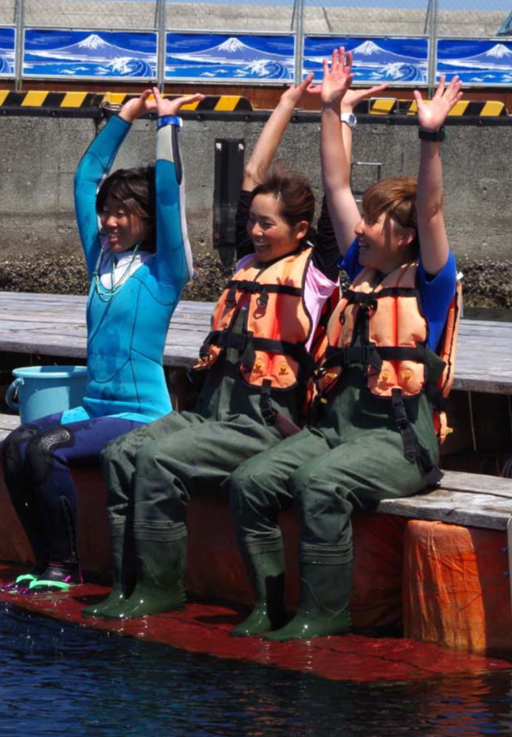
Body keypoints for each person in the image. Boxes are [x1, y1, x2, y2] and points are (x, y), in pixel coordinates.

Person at [84, 67, 381, 633]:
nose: (257, 231)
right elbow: (251, 171)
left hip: (264, 421)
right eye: (254, 222)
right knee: (122, 452)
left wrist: (339, 113)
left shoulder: (319, 270)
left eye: (268, 225)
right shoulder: (249, 261)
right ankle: (130, 583)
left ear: (301, 230)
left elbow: (335, 181)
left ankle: (166, 589)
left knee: (157, 458)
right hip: (214, 412)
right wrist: (289, 100)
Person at [226, 48, 463, 641]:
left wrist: (429, 138)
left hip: (400, 439)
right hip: (338, 428)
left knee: (319, 484)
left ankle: (323, 612)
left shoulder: (431, 283)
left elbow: (431, 209)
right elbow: (336, 181)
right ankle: (268, 605)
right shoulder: (360, 265)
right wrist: (330, 109)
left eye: (375, 219)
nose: (358, 225)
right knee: (249, 482)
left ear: (405, 237)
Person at [0, 87, 195, 594]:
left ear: (147, 221)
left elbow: (171, 194)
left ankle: (65, 566)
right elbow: (85, 178)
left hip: (140, 415)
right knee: (15, 444)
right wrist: (126, 114)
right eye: (106, 211)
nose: (108, 221)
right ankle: (44, 559)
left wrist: (166, 127)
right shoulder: (101, 261)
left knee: (45, 448)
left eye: (122, 213)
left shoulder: (165, 272)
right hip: (93, 410)